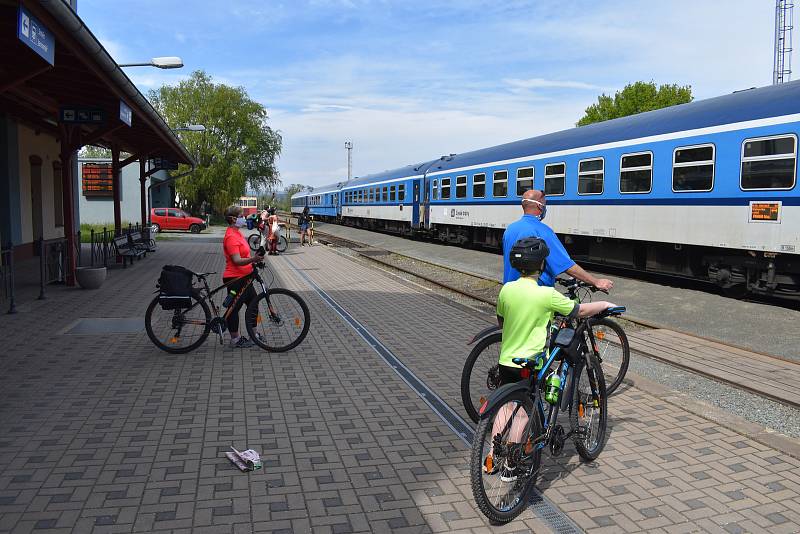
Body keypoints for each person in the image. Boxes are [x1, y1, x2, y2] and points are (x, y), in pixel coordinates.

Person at [488, 237, 616, 481]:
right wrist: (604, 304)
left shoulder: (506, 290)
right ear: (541, 265)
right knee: (524, 413)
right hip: (532, 362)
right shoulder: (546, 295)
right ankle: (511, 465)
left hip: (507, 360)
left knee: (506, 408)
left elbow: (501, 322)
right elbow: (579, 311)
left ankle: (493, 457)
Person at [503, 190, 613, 291]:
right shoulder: (543, 231)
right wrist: (596, 281)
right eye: (545, 204)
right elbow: (566, 265)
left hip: (509, 293)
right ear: (539, 206)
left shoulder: (510, 229)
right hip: (535, 297)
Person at [222, 204, 265, 348]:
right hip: (235, 279)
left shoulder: (238, 233)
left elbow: (244, 255)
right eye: (241, 216)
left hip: (246, 277)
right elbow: (236, 260)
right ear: (233, 219)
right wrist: (253, 260)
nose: (244, 218)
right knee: (234, 309)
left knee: (253, 304)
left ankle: (254, 335)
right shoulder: (230, 237)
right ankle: (235, 339)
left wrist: (254, 259)